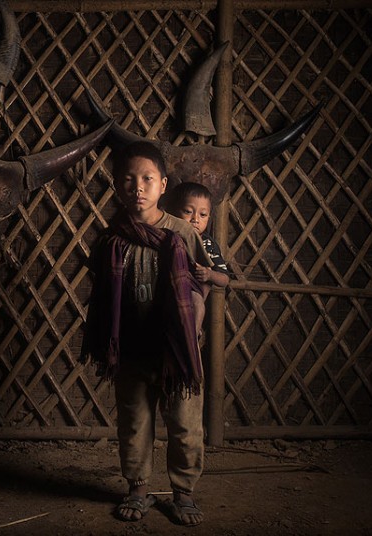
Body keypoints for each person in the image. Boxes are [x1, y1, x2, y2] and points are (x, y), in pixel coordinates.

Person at [82, 141, 213, 526]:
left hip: (176, 351)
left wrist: (195, 322)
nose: (137, 187)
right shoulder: (113, 235)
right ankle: (137, 489)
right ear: (118, 187)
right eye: (128, 180)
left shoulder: (181, 233)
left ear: (162, 185)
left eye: (147, 179)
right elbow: (103, 288)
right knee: (135, 422)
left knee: (185, 424)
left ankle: (183, 494)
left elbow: (199, 281)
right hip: (133, 348)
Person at [163, 181, 232, 339]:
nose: (195, 219)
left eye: (202, 215)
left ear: (209, 217)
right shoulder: (169, 237)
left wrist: (209, 275)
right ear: (174, 212)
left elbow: (225, 279)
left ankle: (191, 340)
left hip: (193, 295)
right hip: (169, 293)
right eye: (188, 211)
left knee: (197, 304)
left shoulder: (208, 244)